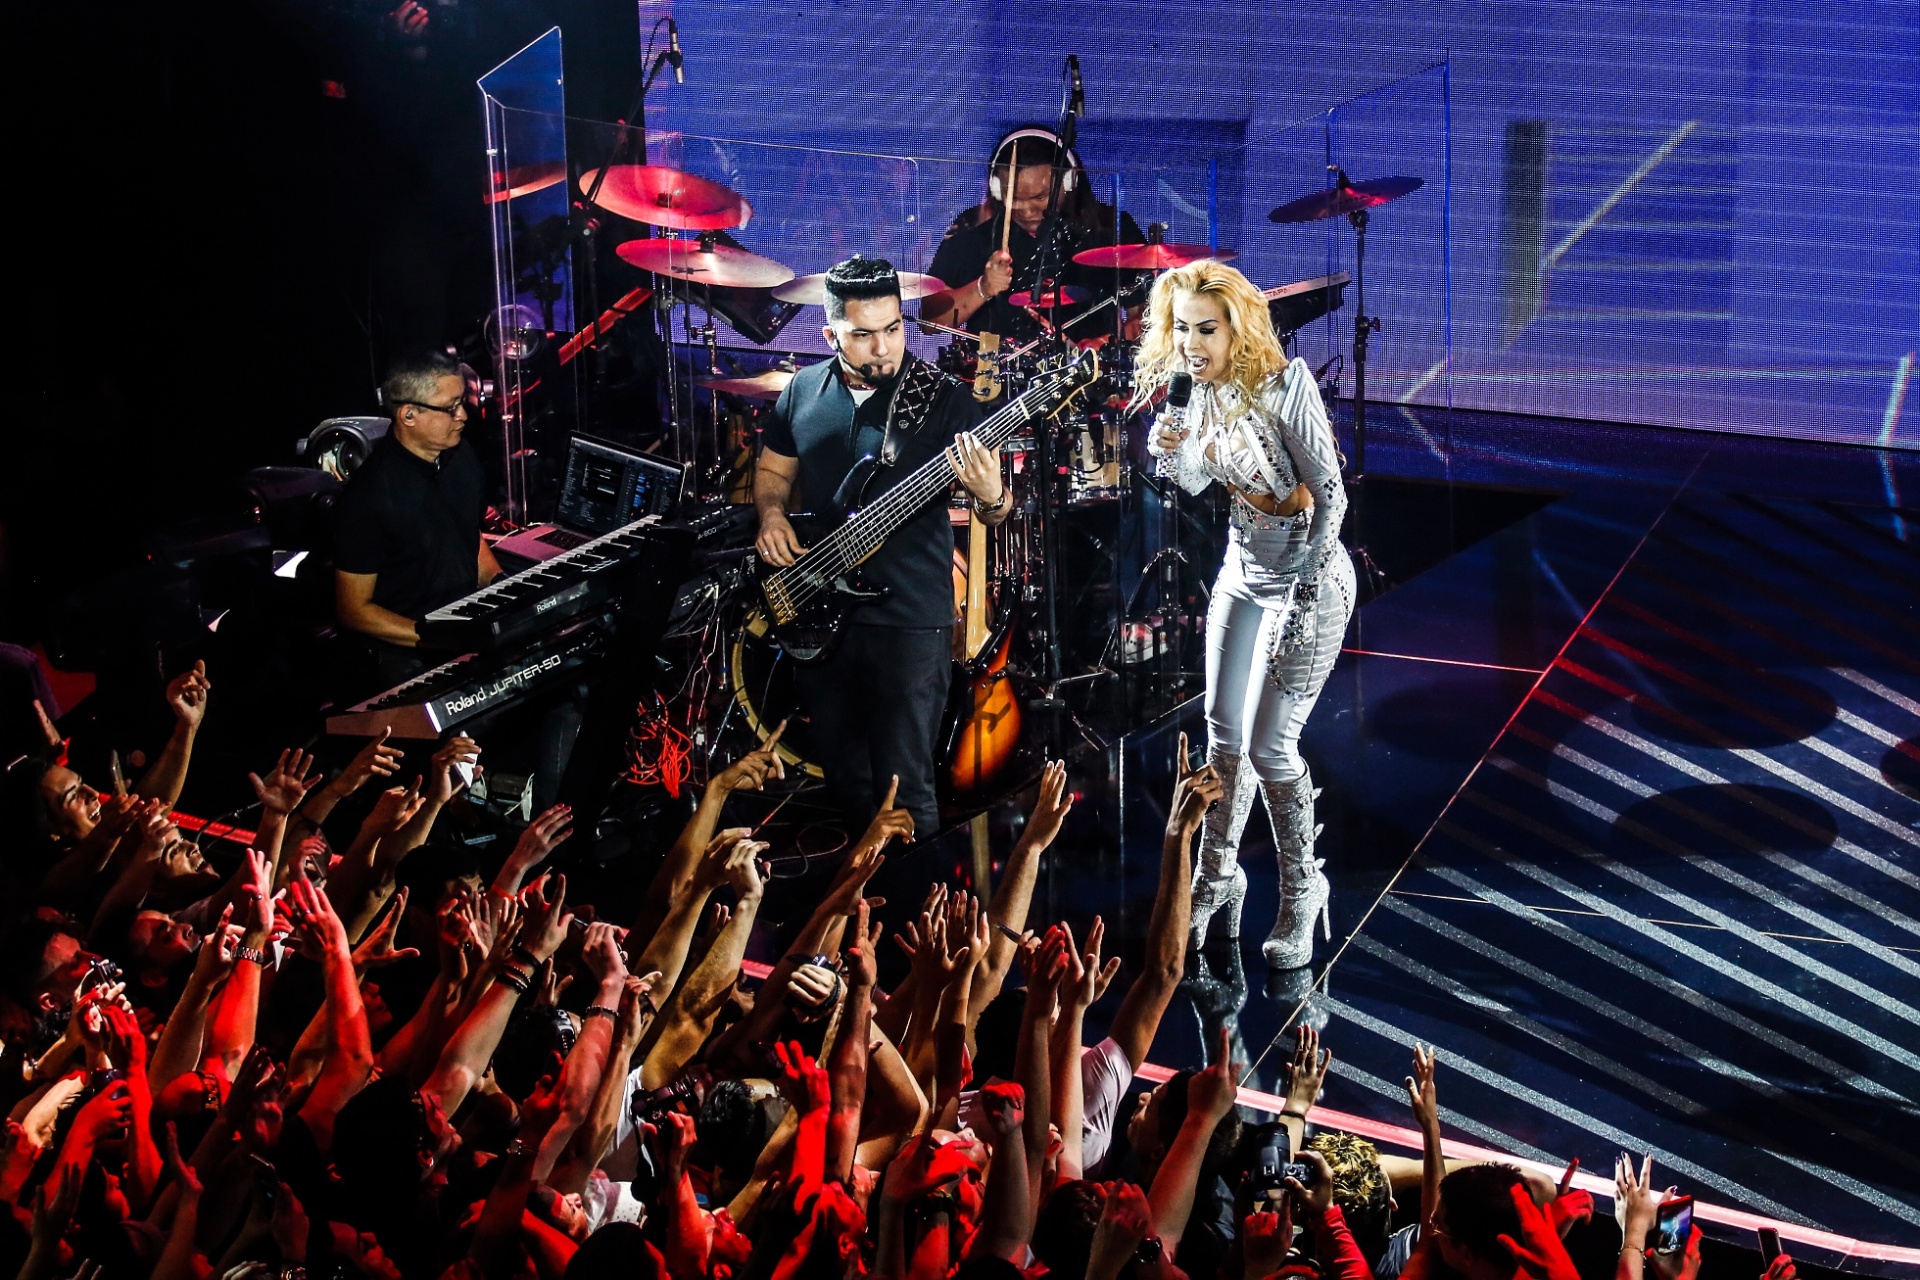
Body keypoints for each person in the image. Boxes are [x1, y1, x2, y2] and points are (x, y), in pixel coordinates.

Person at [1140, 259, 1355, 969]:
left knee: (1270, 747)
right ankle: (1216, 878)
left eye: (1207, 328)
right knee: (1222, 739)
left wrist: (1302, 588)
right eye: (1182, 329)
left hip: (1311, 578)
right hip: (1241, 570)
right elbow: (1201, 481)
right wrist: (1171, 452)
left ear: (1238, 327)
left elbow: (1332, 497)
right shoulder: (1198, 394)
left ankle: (1302, 889)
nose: (1192, 343)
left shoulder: (1283, 389)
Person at [754, 255, 1008, 838]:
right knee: (846, 783)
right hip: (820, 612)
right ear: (830, 334)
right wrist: (771, 516)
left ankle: (912, 917)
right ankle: (856, 915)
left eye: (893, 329)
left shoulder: (943, 400)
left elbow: (999, 510)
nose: (883, 349)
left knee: (906, 792)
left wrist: (991, 495)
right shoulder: (801, 392)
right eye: (862, 335)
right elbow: (770, 474)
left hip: (909, 620)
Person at [332, 350, 502, 682]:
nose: (463, 416)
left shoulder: (461, 456)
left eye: (462, 402)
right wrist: (441, 639)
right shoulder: (367, 499)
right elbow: (354, 610)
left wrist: (502, 588)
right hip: (407, 656)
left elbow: (467, 533)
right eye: (451, 407)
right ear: (409, 415)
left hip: (465, 631)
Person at [921, 126, 1148, 346]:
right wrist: (983, 287)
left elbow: (1149, 318)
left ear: (1068, 182)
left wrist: (1106, 345)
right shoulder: (973, 232)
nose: (1027, 211)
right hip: (998, 380)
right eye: (1015, 198)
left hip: (1093, 379)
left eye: (1040, 198)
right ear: (997, 189)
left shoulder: (1110, 228)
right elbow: (930, 323)